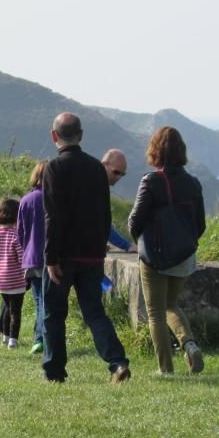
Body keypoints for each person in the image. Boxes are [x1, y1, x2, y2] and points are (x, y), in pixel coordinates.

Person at [42, 112, 130, 384]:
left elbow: (53, 216)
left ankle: (55, 371)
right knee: (94, 311)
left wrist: (50, 257)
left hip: (64, 254)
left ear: (54, 136)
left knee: (53, 314)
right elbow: (105, 214)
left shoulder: (54, 169)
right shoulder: (96, 168)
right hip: (91, 255)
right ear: (80, 135)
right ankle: (117, 362)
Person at [128, 126, 207, 375]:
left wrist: (140, 242)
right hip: (184, 256)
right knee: (171, 304)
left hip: (155, 257)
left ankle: (166, 368)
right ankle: (190, 345)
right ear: (181, 151)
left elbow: (135, 220)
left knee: (155, 313)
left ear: (155, 151)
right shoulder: (193, 183)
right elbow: (200, 224)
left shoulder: (151, 181)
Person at [16, 160, 47, 355]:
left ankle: (39, 338)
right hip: (53, 258)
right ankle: (42, 338)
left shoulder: (26, 201)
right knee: (48, 301)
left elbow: (21, 233)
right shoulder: (57, 199)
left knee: (39, 301)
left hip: (32, 257)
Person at [0, 197, 26, 349]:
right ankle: (13, 339)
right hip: (16, 280)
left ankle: (5, 336)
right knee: (15, 311)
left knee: (6, 308)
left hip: (1, 280)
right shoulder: (16, 236)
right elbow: (22, 258)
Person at [102, 149, 134, 252]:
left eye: (122, 174)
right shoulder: (95, 186)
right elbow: (103, 224)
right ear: (104, 164)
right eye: (116, 172)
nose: (119, 177)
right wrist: (127, 245)